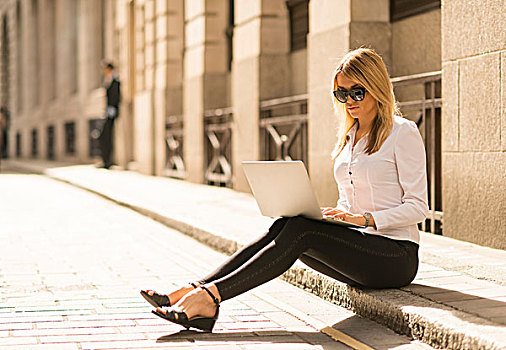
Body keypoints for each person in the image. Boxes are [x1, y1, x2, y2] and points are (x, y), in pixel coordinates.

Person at [141, 48, 428, 332]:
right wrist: (335, 215)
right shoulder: (349, 139)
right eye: (342, 94)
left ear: (376, 88)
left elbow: (418, 207)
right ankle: (199, 288)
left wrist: (363, 220)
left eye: (357, 92)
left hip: (395, 257)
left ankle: (209, 299)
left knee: (301, 231)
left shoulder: (401, 133)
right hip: (360, 247)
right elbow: (348, 202)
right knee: (288, 224)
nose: (349, 101)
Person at [98, 60, 121, 169]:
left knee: (106, 136)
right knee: (103, 136)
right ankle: (105, 160)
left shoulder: (115, 80)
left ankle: (107, 161)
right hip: (108, 111)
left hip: (111, 112)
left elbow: (116, 97)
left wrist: (112, 110)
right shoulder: (108, 80)